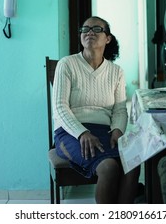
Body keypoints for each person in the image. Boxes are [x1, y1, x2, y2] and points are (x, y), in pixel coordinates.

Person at [52, 16, 141, 204]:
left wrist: (117, 130)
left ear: (108, 38)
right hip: (70, 132)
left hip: (105, 131)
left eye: (96, 29)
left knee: (133, 161)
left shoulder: (116, 71)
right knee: (109, 167)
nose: (89, 32)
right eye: (85, 29)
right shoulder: (67, 64)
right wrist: (82, 132)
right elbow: (60, 107)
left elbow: (119, 109)